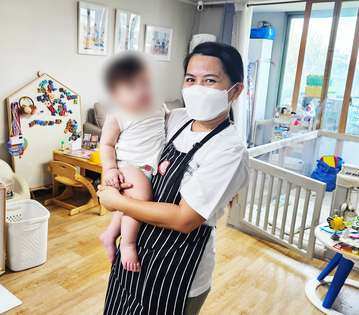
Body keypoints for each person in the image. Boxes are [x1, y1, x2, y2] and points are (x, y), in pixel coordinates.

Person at [97, 42, 250, 315]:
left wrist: (116, 202)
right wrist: (111, 172)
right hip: (136, 251)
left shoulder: (229, 149)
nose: (197, 87)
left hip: (177, 269)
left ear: (236, 90)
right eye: (191, 79)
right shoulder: (176, 119)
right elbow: (129, 144)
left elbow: (185, 219)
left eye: (210, 80)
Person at [98, 52, 165, 272]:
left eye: (145, 83)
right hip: (131, 165)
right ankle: (127, 243)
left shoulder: (158, 105)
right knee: (141, 198)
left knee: (126, 206)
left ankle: (109, 235)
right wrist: (109, 170)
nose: (141, 91)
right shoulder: (117, 114)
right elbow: (106, 145)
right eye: (130, 86)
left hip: (150, 164)